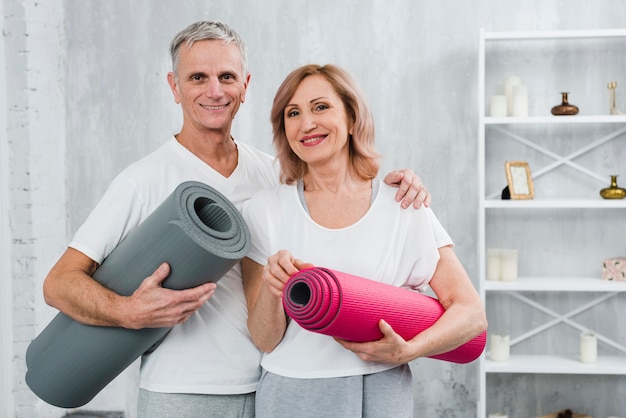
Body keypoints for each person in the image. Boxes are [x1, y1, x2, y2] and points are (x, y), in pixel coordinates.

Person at [41, 21, 432, 418]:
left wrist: (401, 187)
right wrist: (128, 311)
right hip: (181, 392)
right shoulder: (143, 180)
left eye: (226, 77)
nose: (215, 91)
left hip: (266, 387)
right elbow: (58, 284)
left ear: (244, 85)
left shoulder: (271, 173)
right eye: (198, 77)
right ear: (175, 87)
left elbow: (335, 197)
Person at [241, 63, 488, 418]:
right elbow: (264, 339)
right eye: (292, 113)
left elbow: (471, 314)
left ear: (353, 117)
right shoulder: (263, 209)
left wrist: (410, 350)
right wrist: (272, 287)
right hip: (291, 394)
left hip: (380, 390)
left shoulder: (402, 204)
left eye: (321, 107)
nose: (306, 123)